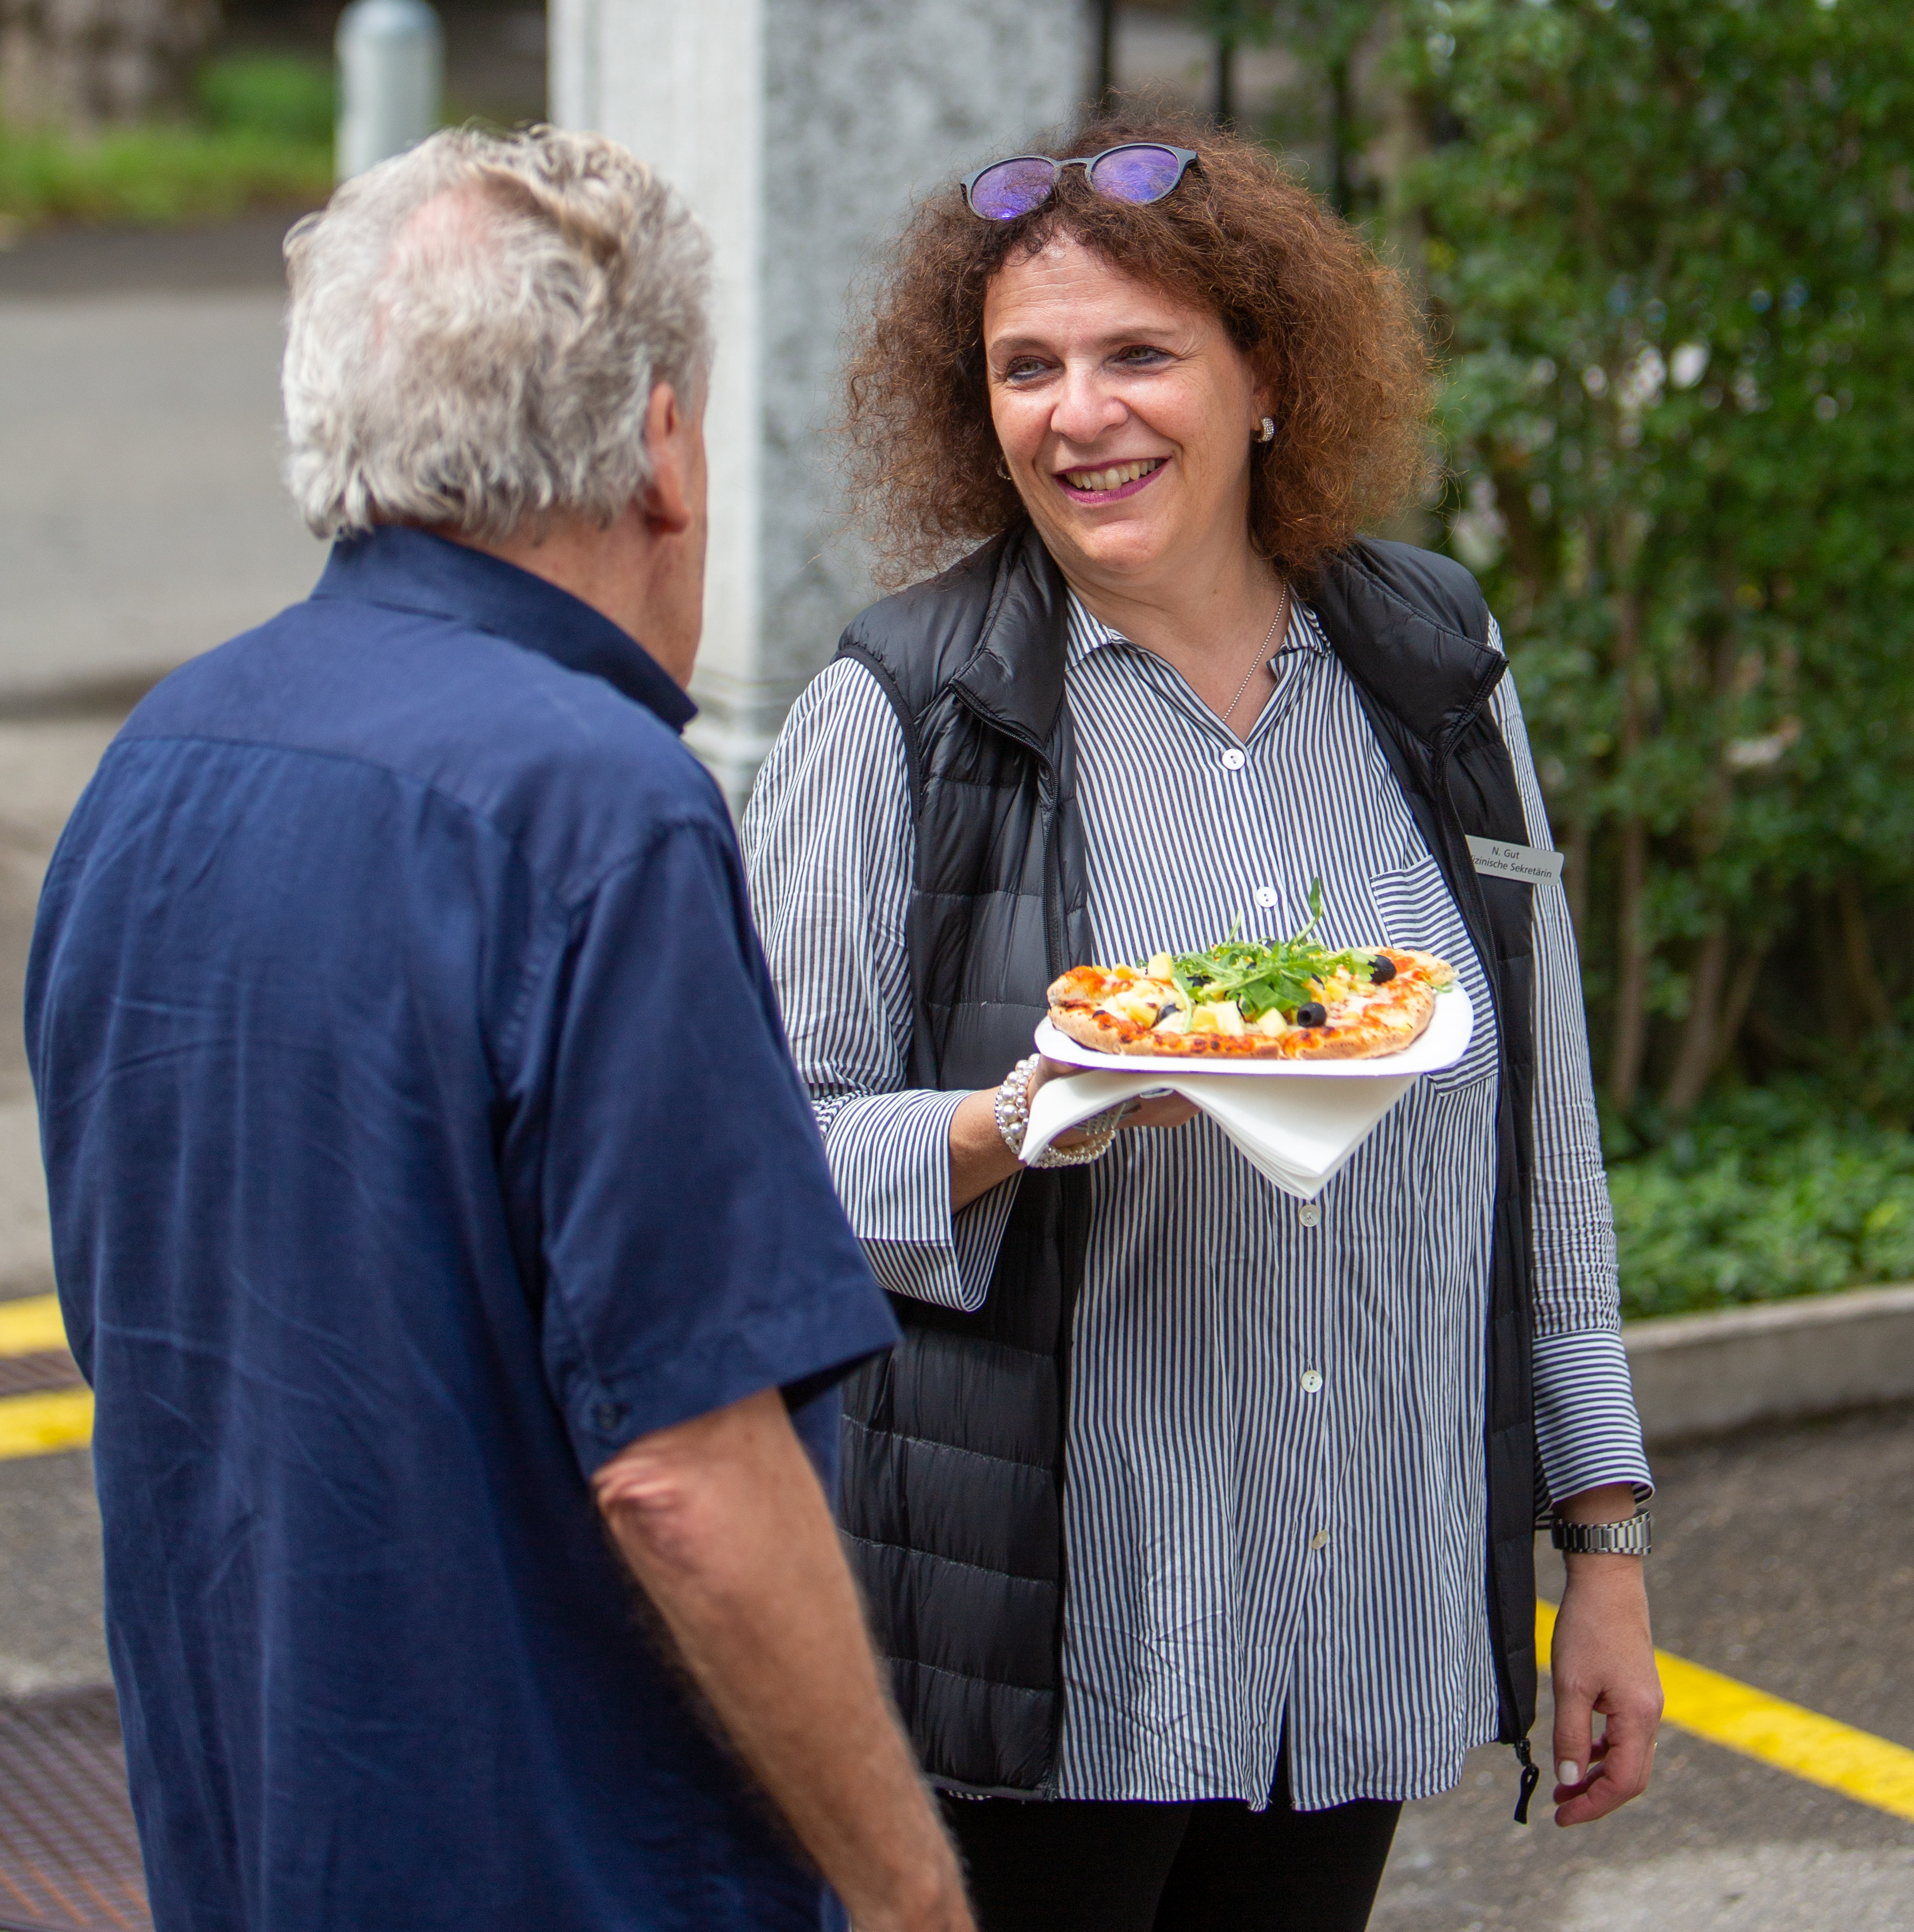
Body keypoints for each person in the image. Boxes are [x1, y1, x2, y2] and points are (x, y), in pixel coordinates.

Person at [26, 127, 974, 1932]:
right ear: (659, 449)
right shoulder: (599, 806)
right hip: (576, 1866)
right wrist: (912, 1896)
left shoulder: (157, 763)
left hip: (256, 1835)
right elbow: (689, 1469)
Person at [746, 116, 1662, 1932]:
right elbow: (753, 1163)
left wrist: (1606, 1543)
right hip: (1064, 1645)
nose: (1077, 413)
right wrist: (1021, 1117)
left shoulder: (1432, 665)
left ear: (1265, 378)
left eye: (1137, 352)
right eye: (1027, 365)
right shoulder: (899, 716)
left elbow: (1539, 1131)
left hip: (1362, 1609)